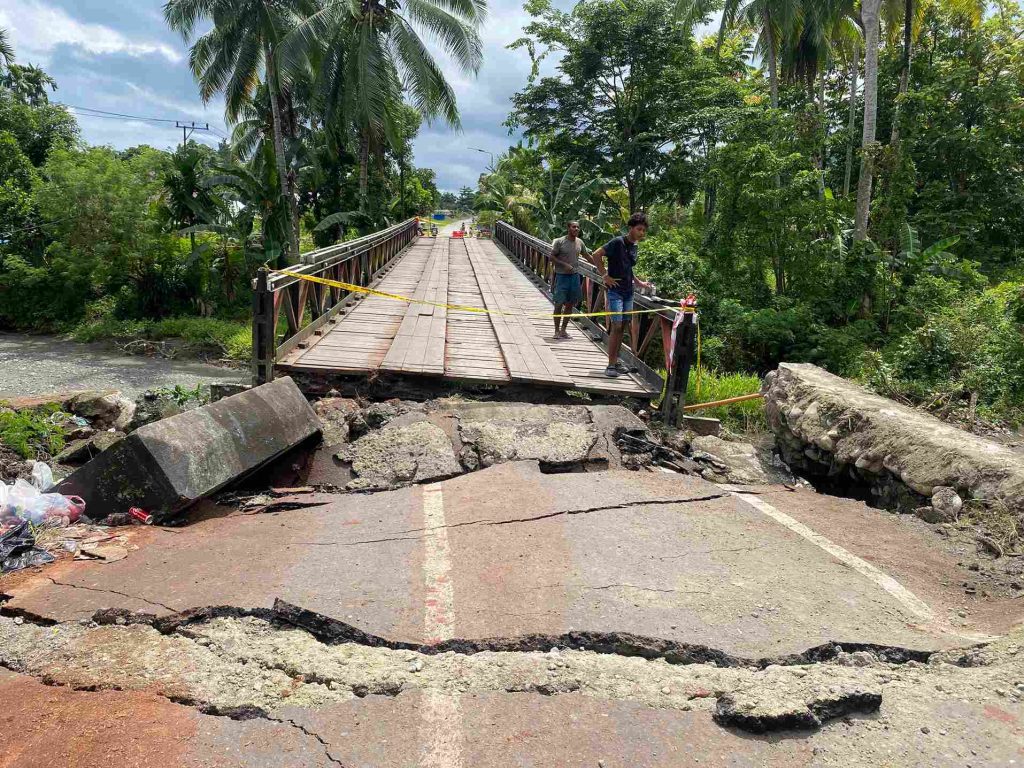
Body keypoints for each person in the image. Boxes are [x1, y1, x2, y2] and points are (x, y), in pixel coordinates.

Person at [588, 212, 653, 377]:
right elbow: (596, 255)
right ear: (630, 228)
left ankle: (616, 362)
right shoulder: (617, 242)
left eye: (644, 230)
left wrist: (639, 283)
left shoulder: (634, 246)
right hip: (615, 290)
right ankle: (610, 365)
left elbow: (628, 268)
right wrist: (605, 276)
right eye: (639, 229)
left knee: (623, 326)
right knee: (616, 326)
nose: (641, 233)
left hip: (628, 292)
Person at [549, 221, 590, 339]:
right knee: (559, 303)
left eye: (578, 227)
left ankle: (563, 330)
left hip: (574, 276)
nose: (576, 229)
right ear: (568, 228)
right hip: (562, 276)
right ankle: (556, 330)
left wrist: (600, 267)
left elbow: (587, 256)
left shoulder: (580, 242)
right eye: (574, 227)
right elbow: (551, 257)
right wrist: (564, 264)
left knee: (570, 304)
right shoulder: (559, 242)